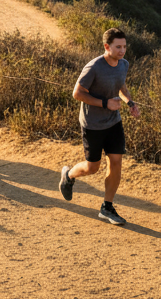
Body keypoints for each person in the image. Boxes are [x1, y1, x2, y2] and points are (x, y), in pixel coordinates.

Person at [59, 28, 141, 226]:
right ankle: (68, 176)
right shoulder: (94, 67)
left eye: (124, 47)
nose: (122, 51)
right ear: (107, 46)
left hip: (114, 122)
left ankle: (107, 207)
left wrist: (130, 102)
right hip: (93, 124)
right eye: (118, 47)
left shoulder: (124, 64)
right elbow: (77, 93)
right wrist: (105, 103)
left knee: (116, 162)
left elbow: (121, 86)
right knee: (92, 167)